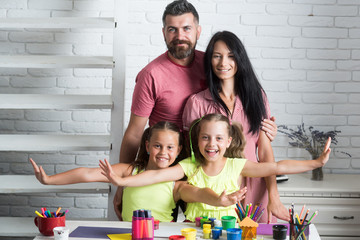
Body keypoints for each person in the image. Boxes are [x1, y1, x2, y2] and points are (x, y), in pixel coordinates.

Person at [115, 0, 278, 220]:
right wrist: (122, 184)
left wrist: (264, 130)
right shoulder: (151, 75)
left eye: (186, 28)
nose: (179, 36)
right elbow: (134, 134)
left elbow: (254, 132)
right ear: (163, 32)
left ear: (198, 31)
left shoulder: (212, 63)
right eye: (172, 29)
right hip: (175, 170)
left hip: (234, 174)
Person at [100, 114, 331, 222]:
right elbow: (153, 177)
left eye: (219, 139)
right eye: (206, 138)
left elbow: (277, 166)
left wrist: (316, 163)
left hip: (228, 231)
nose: (212, 145)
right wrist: (122, 182)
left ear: (229, 141)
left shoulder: (237, 165)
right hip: (194, 229)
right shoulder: (188, 166)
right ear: (197, 140)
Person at [30, 121, 246, 222]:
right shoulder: (129, 170)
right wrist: (49, 180)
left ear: (178, 150)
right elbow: (88, 173)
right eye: (157, 145)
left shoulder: (176, 183)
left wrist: (219, 199)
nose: (163, 152)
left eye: (170, 147)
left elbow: (199, 193)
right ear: (147, 146)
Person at [182, 31, 288, 223]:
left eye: (231, 56)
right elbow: (193, 155)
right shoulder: (196, 103)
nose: (224, 63)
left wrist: (274, 197)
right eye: (217, 56)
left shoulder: (258, 98)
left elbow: (265, 150)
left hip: (254, 186)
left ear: (240, 59)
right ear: (209, 60)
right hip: (216, 191)